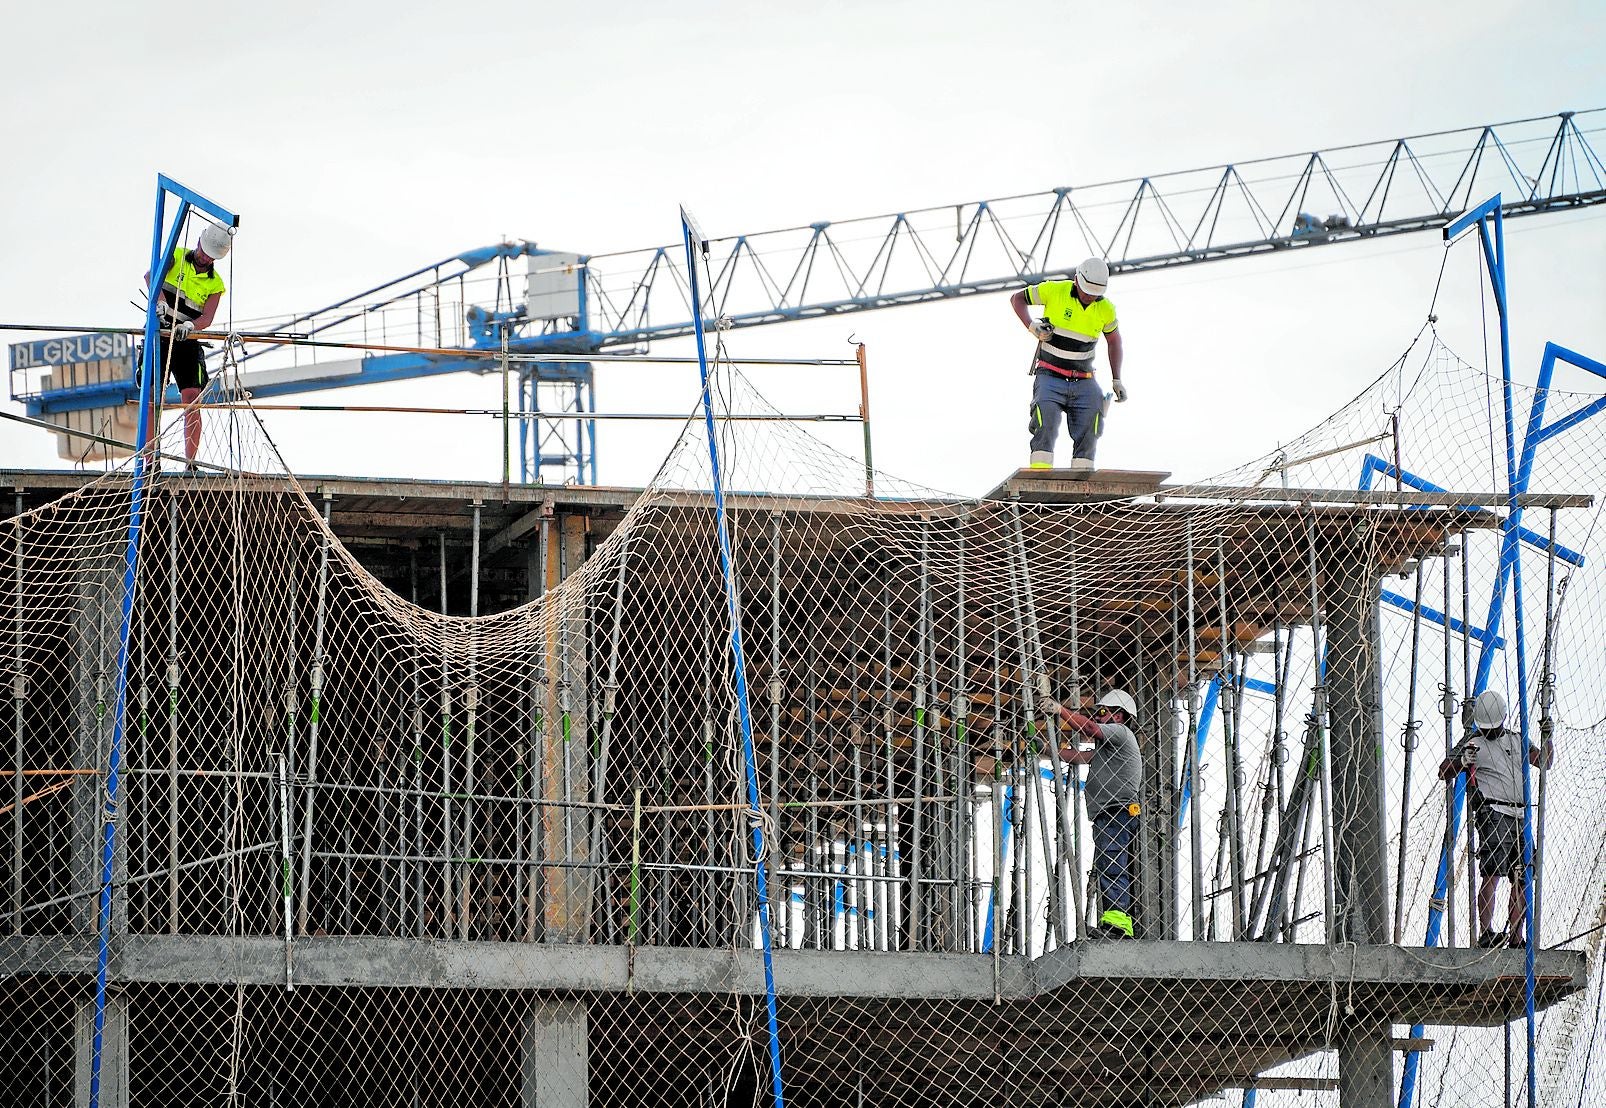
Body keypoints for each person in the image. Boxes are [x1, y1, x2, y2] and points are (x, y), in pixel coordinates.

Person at [1439, 689, 1553, 948]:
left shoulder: (1516, 739)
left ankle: (1516, 936)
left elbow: (1544, 762)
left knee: (1522, 876)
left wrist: (1548, 737)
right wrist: (1462, 761)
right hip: (1493, 812)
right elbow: (1444, 771)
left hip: (1520, 814)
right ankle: (1487, 932)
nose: (1489, 732)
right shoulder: (1472, 742)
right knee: (1492, 873)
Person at [1009, 258, 1125, 472]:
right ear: (1077, 280)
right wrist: (1032, 326)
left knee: (1092, 422)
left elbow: (1114, 341)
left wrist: (1117, 379)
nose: (1089, 296)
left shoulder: (1105, 309)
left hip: (1084, 380)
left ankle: (1082, 478)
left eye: (1094, 293)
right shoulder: (1054, 291)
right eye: (1087, 291)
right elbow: (1017, 298)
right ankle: (1040, 476)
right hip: (1050, 375)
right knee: (1045, 421)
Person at [1043, 688, 1143, 938]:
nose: (1097, 716)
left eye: (1103, 712)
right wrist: (1046, 748)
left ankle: (1118, 927)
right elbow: (1078, 756)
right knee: (1109, 864)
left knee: (1112, 865)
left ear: (1119, 716)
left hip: (1117, 812)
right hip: (1110, 814)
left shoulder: (1120, 733)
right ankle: (1115, 923)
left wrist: (1059, 710)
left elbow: (1089, 728)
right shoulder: (1109, 749)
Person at [144, 222, 231, 468]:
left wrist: (191, 326)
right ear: (199, 242)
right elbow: (151, 276)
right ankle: (150, 460)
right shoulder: (177, 255)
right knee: (151, 397)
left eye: (210, 256)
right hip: (159, 334)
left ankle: (190, 462)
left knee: (192, 398)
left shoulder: (215, 284)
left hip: (186, 340)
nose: (204, 258)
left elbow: (207, 317)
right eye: (203, 251)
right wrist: (160, 302)